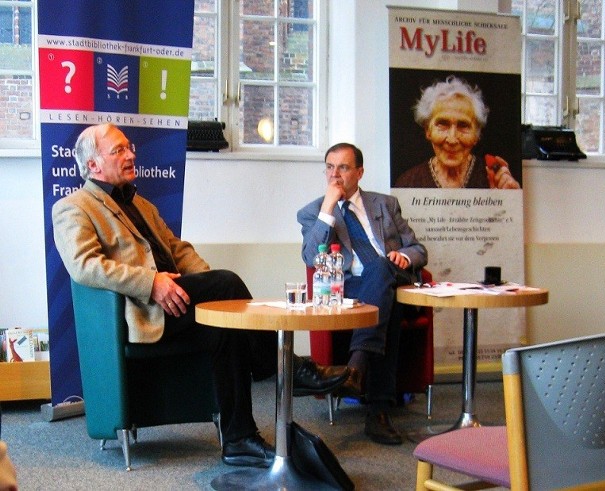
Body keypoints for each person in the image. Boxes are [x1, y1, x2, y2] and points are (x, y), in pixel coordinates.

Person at [52, 123, 349, 469]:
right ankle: (283, 367)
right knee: (227, 284)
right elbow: (85, 266)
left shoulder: (142, 205)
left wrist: (207, 284)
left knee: (226, 322)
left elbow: (178, 249)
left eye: (129, 147)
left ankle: (239, 440)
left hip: (178, 303)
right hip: (143, 310)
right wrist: (152, 283)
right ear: (93, 165)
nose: (131, 154)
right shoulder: (73, 207)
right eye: (118, 150)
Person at [297, 142, 428, 445]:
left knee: (381, 270)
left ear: (359, 172)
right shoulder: (312, 212)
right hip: (349, 290)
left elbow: (418, 249)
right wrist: (328, 209)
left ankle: (356, 368)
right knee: (387, 303)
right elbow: (310, 258)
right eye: (329, 167)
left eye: (342, 167)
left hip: (394, 279)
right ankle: (378, 413)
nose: (335, 175)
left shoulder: (385, 204)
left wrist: (404, 258)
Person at [395, 75, 520, 189]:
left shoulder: (494, 180)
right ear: (428, 130)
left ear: (477, 135)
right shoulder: (408, 183)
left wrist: (509, 201)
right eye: (442, 124)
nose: (452, 139)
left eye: (463, 126)